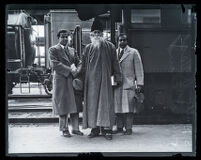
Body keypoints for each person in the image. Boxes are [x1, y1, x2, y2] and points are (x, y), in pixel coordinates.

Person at [81, 18, 122, 140]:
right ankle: (94, 129)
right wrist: (77, 76)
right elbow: (82, 65)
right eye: (95, 33)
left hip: (105, 80)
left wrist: (118, 77)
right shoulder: (87, 48)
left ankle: (106, 129)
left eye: (99, 33)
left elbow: (115, 63)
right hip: (91, 82)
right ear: (91, 34)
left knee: (105, 103)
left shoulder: (110, 46)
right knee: (92, 104)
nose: (97, 35)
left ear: (102, 34)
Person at [49, 29, 84, 137]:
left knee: (75, 105)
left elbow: (80, 62)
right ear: (58, 38)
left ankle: (75, 128)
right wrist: (70, 70)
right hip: (62, 81)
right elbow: (55, 64)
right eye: (62, 37)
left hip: (72, 80)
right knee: (63, 105)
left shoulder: (73, 50)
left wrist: (77, 70)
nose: (65, 39)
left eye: (66, 37)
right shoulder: (53, 49)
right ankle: (64, 129)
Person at [113, 33, 144, 135]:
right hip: (117, 84)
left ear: (127, 41)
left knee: (129, 108)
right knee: (118, 108)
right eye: (120, 40)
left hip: (129, 84)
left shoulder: (133, 52)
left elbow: (139, 68)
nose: (122, 42)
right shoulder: (115, 52)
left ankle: (129, 128)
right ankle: (119, 127)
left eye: (124, 40)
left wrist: (139, 83)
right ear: (117, 41)